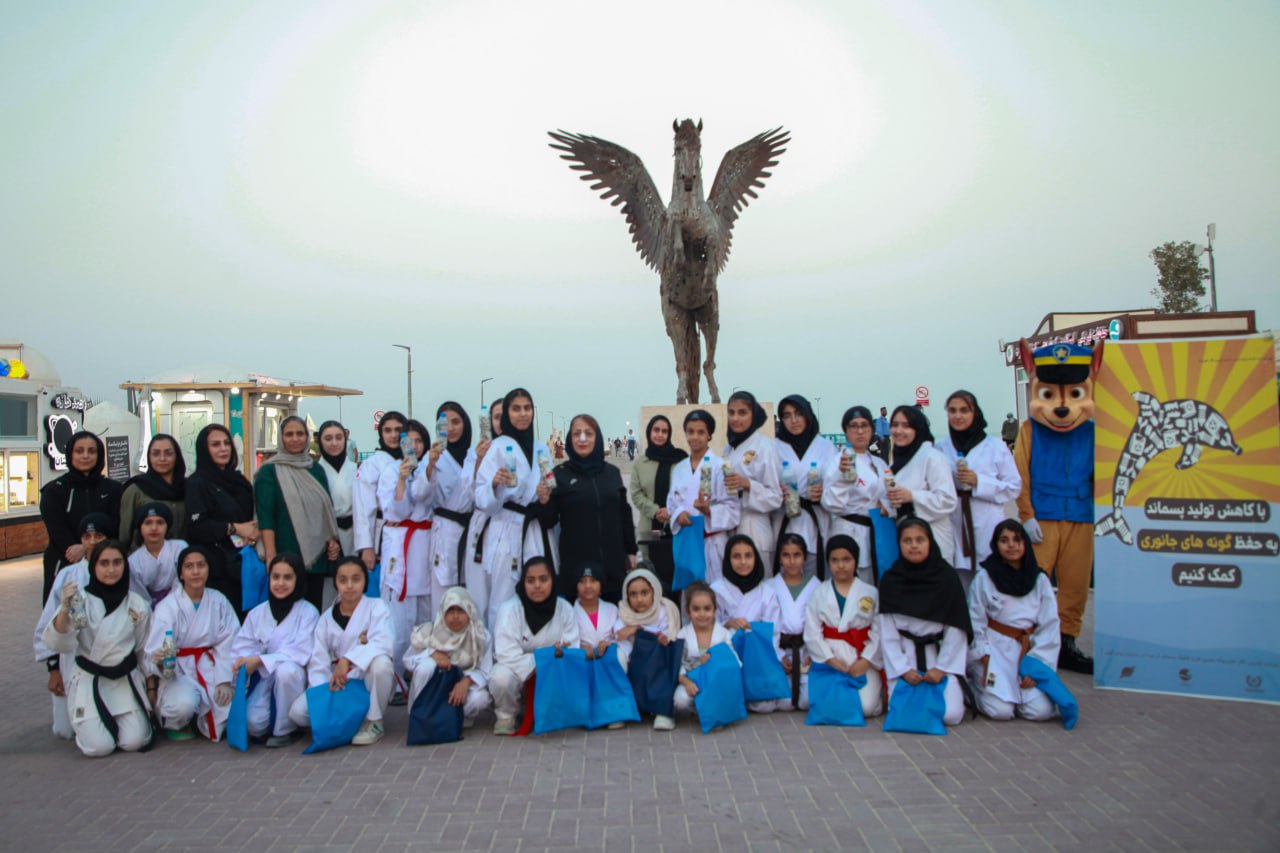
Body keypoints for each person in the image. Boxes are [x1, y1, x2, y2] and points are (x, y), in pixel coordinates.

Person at [41, 540, 153, 757]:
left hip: (124, 680)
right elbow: (60, 640)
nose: (111, 569)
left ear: (125, 566)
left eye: (117, 563)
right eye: (104, 563)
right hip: (90, 680)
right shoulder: (80, 600)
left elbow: (143, 649)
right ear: (94, 566)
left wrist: (151, 689)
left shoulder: (137, 604)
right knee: (99, 747)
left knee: (135, 741)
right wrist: (64, 609)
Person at [289, 557, 396, 746]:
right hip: (336, 682)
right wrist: (326, 692)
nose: (349, 586)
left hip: (365, 680)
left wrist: (347, 660)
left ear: (365, 581)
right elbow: (318, 661)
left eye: (356, 579)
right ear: (335, 583)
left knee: (382, 664)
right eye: (343, 580)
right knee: (297, 713)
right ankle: (348, 721)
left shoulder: (377, 607)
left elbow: (384, 642)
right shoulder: (325, 619)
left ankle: (373, 722)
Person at [878, 519, 973, 727]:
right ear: (899, 544)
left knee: (950, 715)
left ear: (930, 542)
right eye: (907, 541)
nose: (914, 546)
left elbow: (956, 628)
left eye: (920, 540)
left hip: (939, 657)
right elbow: (887, 632)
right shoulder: (891, 580)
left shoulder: (947, 578)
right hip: (906, 657)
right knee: (903, 712)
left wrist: (941, 668)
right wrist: (903, 669)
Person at [474, 388, 555, 628]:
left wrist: (546, 495)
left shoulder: (541, 449)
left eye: (527, 408)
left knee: (539, 591)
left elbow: (551, 485)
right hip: (506, 527)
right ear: (507, 414)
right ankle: (501, 648)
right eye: (516, 409)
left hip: (535, 528)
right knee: (503, 595)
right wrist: (494, 483)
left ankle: (537, 645)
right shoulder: (497, 447)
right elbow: (480, 496)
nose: (522, 414)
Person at [536, 413, 637, 603]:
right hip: (577, 572)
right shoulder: (560, 475)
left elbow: (624, 514)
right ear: (569, 438)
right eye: (577, 434)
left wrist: (631, 550)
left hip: (612, 568)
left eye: (589, 433)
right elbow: (548, 520)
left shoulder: (612, 473)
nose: (582, 439)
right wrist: (544, 500)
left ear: (597, 438)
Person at [968, 520, 1060, 721]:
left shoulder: (1040, 580)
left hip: (1028, 651)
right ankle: (972, 688)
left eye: (1017, 540)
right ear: (996, 545)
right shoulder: (985, 577)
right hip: (995, 651)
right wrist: (983, 654)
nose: (1011, 545)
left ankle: (1020, 695)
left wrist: (1037, 667)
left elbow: (1049, 626)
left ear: (1025, 543)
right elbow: (975, 620)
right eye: (1004, 540)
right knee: (1000, 711)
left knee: (1040, 712)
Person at [146, 545, 240, 741]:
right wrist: (161, 661)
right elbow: (155, 650)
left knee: (233, 706)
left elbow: (230, 640)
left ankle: (201, 719)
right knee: (184, 704)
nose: (196, 571)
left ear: (208, 569)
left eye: (201, 565)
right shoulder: (167, 607)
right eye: (189, 567)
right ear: (181, 573)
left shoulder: (218, 600)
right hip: (179, 671)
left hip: (210, 666)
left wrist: (224, 680)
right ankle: (179, 722)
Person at [33, 513, 114, 740]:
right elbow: (47, 624)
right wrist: (53, 669)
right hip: (74, 658)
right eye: (87, 536)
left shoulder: (121, 571)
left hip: (112, 658)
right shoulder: (68, 575)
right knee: (65, 730)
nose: (92, 542)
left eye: (99, 536)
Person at [229, 553, 320, 747]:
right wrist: (245, 661)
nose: (280, 583)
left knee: (287, 670)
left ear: (298, 579)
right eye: (275, 577)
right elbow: (243, 646)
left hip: (294, 679)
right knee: (253, 725)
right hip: (263, 678)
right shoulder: (257, 613)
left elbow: (302, 651)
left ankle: (287, 729)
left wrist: (260, 660)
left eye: (287, 578)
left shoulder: (308, 612)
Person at [934, 391, 1022, 591]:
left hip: (987, 522)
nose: (958, 416)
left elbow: (1013, 487)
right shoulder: (940, 449)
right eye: (952, 411)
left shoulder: (995, 447)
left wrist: (979, 482)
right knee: (958, 585)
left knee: (988, 585)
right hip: (954, 523)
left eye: (964, 410)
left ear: (975, 413)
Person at [255, 415, 341, 608]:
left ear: (307, 437)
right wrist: (271, 557)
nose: (295, 439)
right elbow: (266, 516)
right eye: (289, 434)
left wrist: (332, 540)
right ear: (281, 438)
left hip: (316, 554)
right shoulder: (269, 471)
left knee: (313, 609)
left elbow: (325, 511)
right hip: (284, 554)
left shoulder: (316, 469)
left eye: (300, 434)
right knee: (285, 609)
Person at [488, 557, 580, 735]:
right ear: (523, 583)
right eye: (530, 581)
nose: (537, 586)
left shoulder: (565, 609)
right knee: (500, 676)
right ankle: (506, 715)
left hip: (553, 670)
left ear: (553, 580)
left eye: (543, 579)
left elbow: (572, 647)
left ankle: (553, 711)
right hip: (519, 669)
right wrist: (543, 659)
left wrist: (560, 654)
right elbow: (506, 654)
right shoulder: (510, 609)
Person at [378, 418, 434, 695]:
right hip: (400, 543)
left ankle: (422, 675)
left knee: (425, 615)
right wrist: (402, 478)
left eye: (418, 441)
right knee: (398, 623)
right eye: (407, 441)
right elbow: (397, 511)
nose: (413, 446)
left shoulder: (430, 468)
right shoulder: (390, 470)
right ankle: (395, 681)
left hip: (425, 542)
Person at [802, 534, 884, 718]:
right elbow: (812, 633)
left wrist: (865, 661)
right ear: (828, 562)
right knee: (815, 703)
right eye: (835, 560)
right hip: (830, 660)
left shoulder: (870, 592)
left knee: (866, 708)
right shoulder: (819, 592)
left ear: (856, 560)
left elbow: (879, 631)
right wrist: (830, 660)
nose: (841, 565)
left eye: (846, 559)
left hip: (861, 657)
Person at [39, 430, 124, 602]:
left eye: (91, 451)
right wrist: (77, 549)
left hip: (106, 562)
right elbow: (57, 529)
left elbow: (116, 525)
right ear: (70, 454)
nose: (85, 456)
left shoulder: (113, 489)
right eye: (79, 451)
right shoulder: (55, 490)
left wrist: (87, 548)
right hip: (65, 560)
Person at [184, 423, 257, 617]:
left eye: (227, 443)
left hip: (245, 564)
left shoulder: (239, 481)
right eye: (215, 445)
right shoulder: (197, 484)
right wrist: (234, 528)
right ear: (204, 449)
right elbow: (197, 527)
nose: (223, 448)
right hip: (218, 569)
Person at [711, 534, 783, 713]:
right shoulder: (717, 589)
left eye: (748, 556)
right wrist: (729, 624)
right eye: (737, 556)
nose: (743, 562)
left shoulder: (767, 592)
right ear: (728, 560)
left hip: (757, 657)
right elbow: (708, 627)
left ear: (756, 558)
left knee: (765, 706)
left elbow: (773, 631)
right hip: (728, 655)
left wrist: (754, 630)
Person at [667, 410, 740, 586]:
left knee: (714, 591)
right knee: (690, 592)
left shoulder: (723, 466)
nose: (695, 437)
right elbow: (671, 502)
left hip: (712, 541)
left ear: (709, 435)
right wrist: (678, 513)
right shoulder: (679, 468)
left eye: (701, 432)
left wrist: (709, 511)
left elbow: (733, 508)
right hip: (687, 539)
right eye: (690, 432)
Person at [417, 402, 477, 616]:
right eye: (444, 424)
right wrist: (430, 466)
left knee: (473, 593)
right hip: (445, 530)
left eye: (456, 422)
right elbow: (420, 494)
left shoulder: (474, 455)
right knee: (444, 594)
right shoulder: (433, 457)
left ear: (465, 424)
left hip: (471, 529)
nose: (451, 428)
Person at [404, 586, 494, 726]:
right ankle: (421, 717)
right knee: (426, 667)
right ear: (442, 612)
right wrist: (431, 653)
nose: (455, 616)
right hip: (433, 690)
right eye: (450, 610)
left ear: (469, 611)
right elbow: (408, 660)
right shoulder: (429, 632)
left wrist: (465, 682)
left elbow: (486, 671)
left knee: (480, 698)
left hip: (461, 689)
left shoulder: (480, 636)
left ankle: (458, 719)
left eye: (461, 610)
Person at [822, 406, 893, 582]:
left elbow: (890, 495)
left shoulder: (879, 463)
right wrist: (841, 475)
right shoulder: (839, 461)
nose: (860, 431)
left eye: (864, 425)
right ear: (846, 431)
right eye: (853, 426)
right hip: (850, 530)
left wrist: (887, 506)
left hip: (879, 531)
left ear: (872, 429)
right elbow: (831, 503)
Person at [883, 405, 959, 569]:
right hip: (906, 538)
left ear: (917, 429)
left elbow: (948, 500)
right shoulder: (898, 461)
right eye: (895, 425)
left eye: (906, 426)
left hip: (934, 536)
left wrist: (912, 496)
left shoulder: (933, 458)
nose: (899, 430)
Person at [613, 566, 682, 730]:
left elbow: (669, 636)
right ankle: (624, 710)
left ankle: (663, 712)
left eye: (645, 593)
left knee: (655, 646)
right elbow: (620, 637)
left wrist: (638, 629)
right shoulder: (624, 613)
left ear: (654, 592)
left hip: (658, 664)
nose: (639, 599)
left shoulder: (665, 610)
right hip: (635, 664)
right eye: (633, 594)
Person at [774, 395, 835, 579]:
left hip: (816, 523)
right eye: (787, 416)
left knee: (816, 582)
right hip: (785, 522)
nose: (793, 420)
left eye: (798, 414)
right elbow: (766, 485)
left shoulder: (826, 447)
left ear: (808, 415)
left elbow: (837, 485)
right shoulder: (774, 447)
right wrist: (777, 492)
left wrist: (825, 491)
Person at [628, 414, 687, 602]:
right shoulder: (640, 463)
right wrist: (656, 511)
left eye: (664, 431)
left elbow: (687, 491)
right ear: (649, 432)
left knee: (676, 579)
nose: (660, 435)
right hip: (649, 530)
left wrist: (671, 512)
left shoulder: (680, 461)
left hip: (676, 527)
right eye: (656, 430)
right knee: (651, 580)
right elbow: (636, 493)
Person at [722, 391, 782, 573]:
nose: (735, 418)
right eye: (731, 412)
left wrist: (748, 485)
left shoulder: (765, 447)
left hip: (755, 526)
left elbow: (775, 497)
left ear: (753, 415)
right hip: (730, 525)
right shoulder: (729, 448)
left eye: (742, 413)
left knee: (758, 583)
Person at [672, 582, 741, 721]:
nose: (702, 614)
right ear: (688, 611)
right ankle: (697, 708)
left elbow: (736, 662)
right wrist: (687, 682)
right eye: (696, 609)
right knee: (680, 701)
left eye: (707, 608)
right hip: (692, 681)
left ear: (715, 610)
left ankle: (715, 709)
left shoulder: (723, 634)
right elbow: (677, 665)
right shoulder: (682, 635)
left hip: (717, 681)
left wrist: (714, 660)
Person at [353, 410, 408, 573]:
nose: (393, 435)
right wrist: (366, 547)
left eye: (398, 430)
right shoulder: (372, 464)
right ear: (381, 433)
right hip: (383, 531)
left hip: (412, 531)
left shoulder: (413, 459)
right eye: (388, 430)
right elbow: (363, 508)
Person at [769, 533, 818, 710]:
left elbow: (819, 624)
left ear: (805, 557)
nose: (792, 561)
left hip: (805, 652)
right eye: (786, 555)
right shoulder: (769, 586)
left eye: (797, 555)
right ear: (779, 558)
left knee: (806, 701)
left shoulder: (816, 586)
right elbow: (768, 625)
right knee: (783, 703)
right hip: (779, 651)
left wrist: (813, 653)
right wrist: (778, 655)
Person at [463, 400, 502, 619]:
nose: (501, 422)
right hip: (483, 525)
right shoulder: (475, 452)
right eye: (496, 417)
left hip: (513, 526)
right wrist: (479, 460)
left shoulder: (526, 450)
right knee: (480, 594)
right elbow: (469, 492)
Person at [119, 433, 187, 552]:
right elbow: (124, 534)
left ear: (177, 456)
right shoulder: (136, 489)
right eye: (156, 454)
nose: (162, 458)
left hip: (182, 557)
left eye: (168, 453)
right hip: (143, 558)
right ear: (149, 457)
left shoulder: (188, 487)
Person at [127, 502, 186, 605]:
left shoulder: (180, 548)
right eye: (148, 523)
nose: (154, 528)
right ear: (140, 527)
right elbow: (138, 594)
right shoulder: (133, 561)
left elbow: (184, 581)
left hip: (180, 602)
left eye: (160, 522)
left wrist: (168, 605)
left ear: (167, 526)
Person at [316, 421, 357, 558]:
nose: (334, 443)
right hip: (325, 536)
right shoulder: (314, 471)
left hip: (355, 533)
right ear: (320, 441)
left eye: (339, 438)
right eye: (328, 439)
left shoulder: (356, 470)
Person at [573, 566, 618, 660]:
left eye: (593, 581)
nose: (588, 585)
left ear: (601, 585)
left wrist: (609, 644)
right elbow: (564, 642)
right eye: (582, 581)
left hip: (610, 660)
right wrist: (578, 646)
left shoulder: (612, 609)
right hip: (581, 661)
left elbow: (622, 639)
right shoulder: (569, 613)